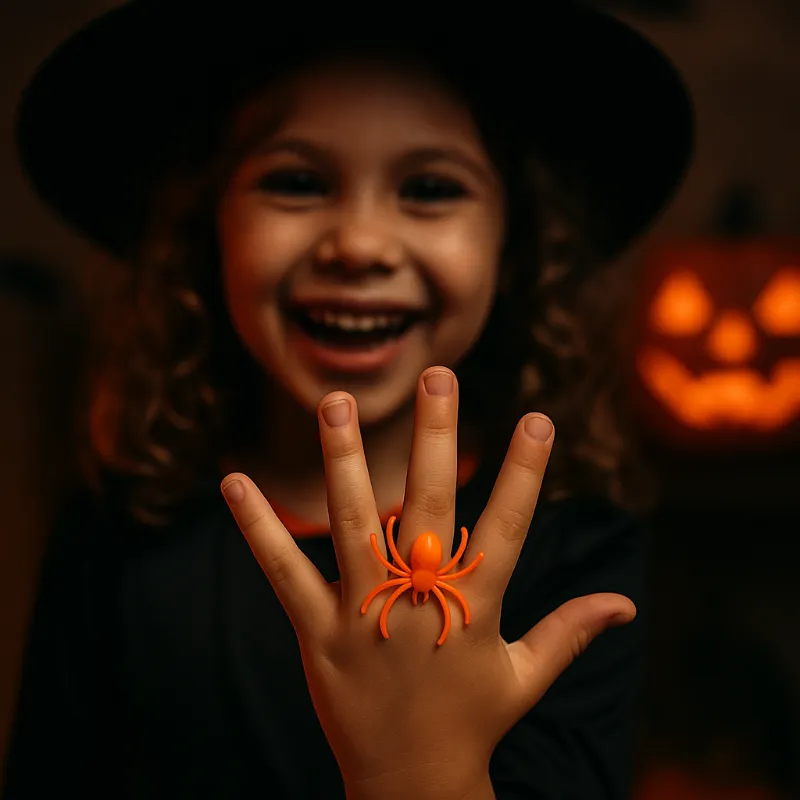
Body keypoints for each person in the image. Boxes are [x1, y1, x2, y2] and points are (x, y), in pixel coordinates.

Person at [2, 3, 693, 798]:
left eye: (431, 188)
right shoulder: (115, 535)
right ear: (204, 230)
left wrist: (414, 766)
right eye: (297, 182)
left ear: (516, 246)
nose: (359, 244)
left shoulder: (577, 540)